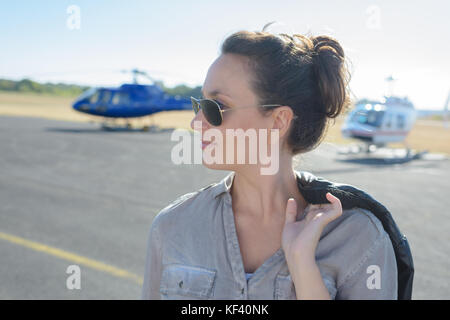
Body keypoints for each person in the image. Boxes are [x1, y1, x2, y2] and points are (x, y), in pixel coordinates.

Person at [142, 25, 397, 300]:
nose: (196, 122)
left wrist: (301, 262)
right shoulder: (172, 226)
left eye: (215, 107)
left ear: (278, 121)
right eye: (199, 105)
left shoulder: (359, 238)